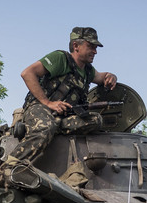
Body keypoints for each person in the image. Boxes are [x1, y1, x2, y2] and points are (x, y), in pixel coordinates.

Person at [8, 27, 118, 163]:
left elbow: (102, 77)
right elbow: (27, 73)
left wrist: (111, 76)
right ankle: (9, 165)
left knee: (96, 120)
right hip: (40, 107)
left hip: (63, 115)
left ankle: (56, 125)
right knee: (45, 127)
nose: (95, 51)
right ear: (76, 46)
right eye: (90, 46)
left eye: (96, 48)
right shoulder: (61, 58)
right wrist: (47, 102)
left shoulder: (88, 71)